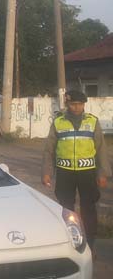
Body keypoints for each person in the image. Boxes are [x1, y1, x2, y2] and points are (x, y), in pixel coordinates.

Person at [42, 90, 110, 253]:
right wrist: (47, 172)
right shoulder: (58, 122)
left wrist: (102, 173)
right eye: (73, 104)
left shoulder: (93, 122)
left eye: (80, 104)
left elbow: (101, 149)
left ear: (84, 105)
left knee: (89, 208)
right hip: (65, 173)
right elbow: (49, 150)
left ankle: (90, 245)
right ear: (67, 104)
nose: (76, 107)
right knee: (66, 208)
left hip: (87, 173)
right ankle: (69, 243)